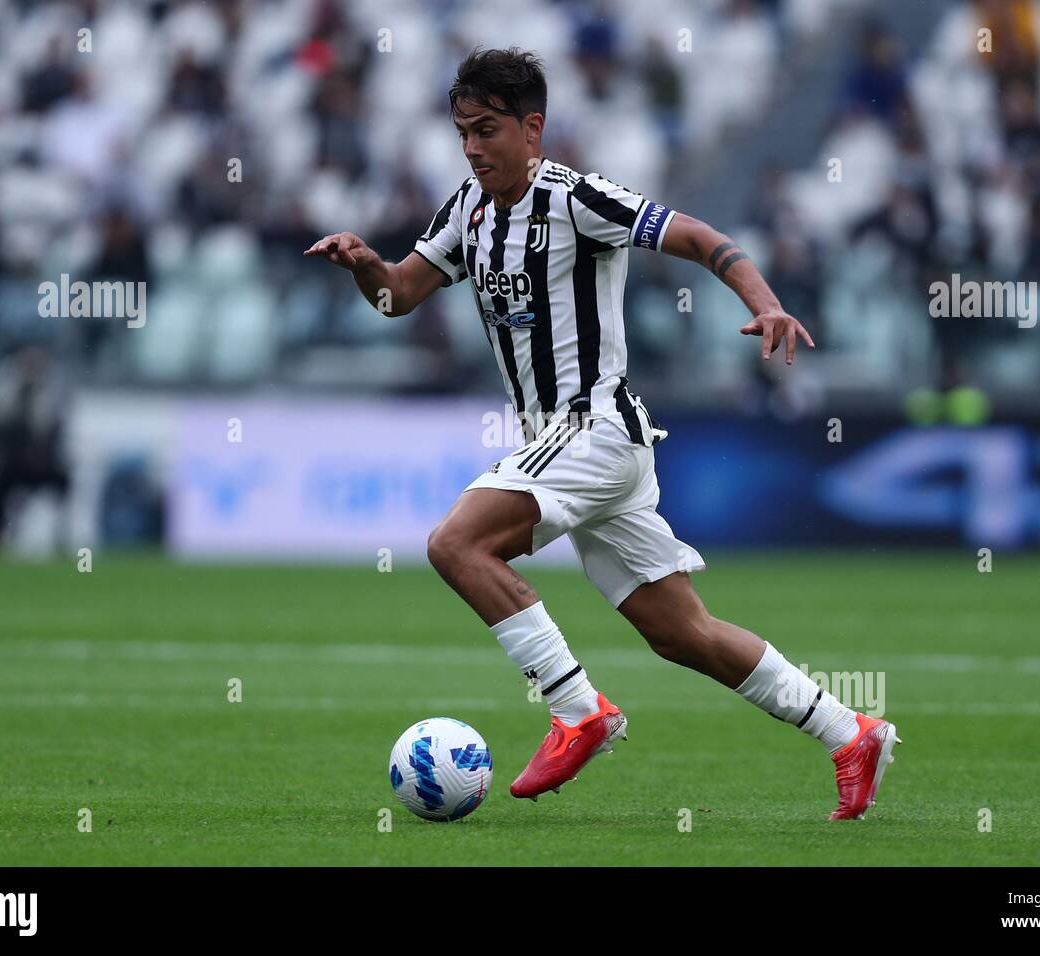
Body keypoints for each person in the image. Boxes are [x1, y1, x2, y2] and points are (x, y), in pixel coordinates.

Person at [306, 47, 899, 820]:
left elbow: (696, 237)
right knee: (682, 632)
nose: (474, 147)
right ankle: (849, 730)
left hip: (593, 426)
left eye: (487, 130)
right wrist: (363, 264)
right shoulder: (466, 212)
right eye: (463, 133)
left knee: (456, 544)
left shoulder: (577, 199)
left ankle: (577, 709)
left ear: (533, 128)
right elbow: (397, 298)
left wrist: (766, 299)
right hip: (572, 444)